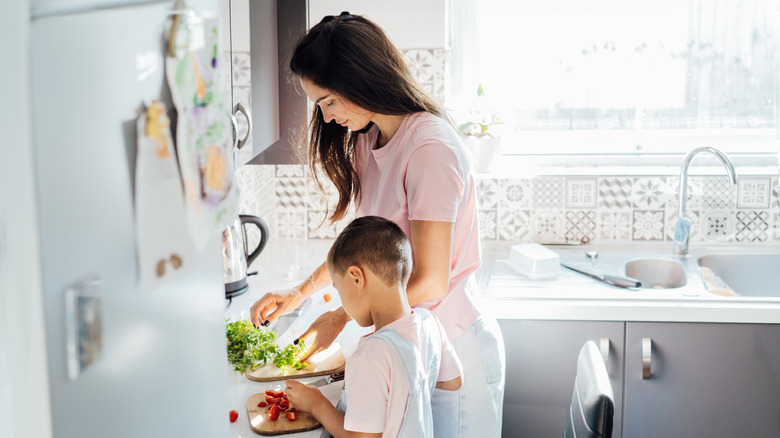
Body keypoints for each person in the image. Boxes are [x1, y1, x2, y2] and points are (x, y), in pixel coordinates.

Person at [250, 11, 505, 437]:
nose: (326, 117)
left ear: (359, 79)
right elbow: (365, 248)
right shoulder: (369, 140)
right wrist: (304, 290)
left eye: (328, 101)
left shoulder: (429, 151)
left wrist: (341, 315)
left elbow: (430, 283)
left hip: (454, 350)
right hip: (414, 347)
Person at [285, 216, 463, 437]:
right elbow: (454, 380)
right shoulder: (430, 322)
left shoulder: (371, 355)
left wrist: (316, 405)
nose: (341, 300)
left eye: (339, 290)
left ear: (356, 277)